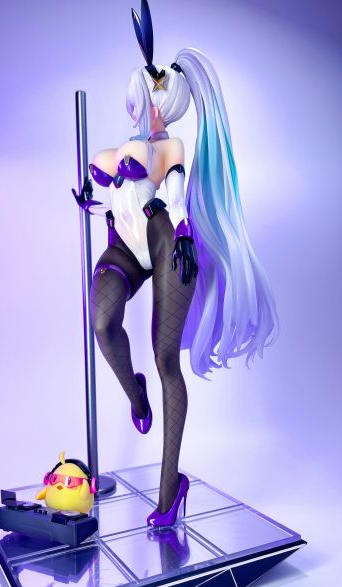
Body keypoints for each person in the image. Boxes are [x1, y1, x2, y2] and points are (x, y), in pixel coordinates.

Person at [72, 0, 278, 528]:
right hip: (125, 247)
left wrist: (182, 226)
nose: (145, 105)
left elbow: (177, 191)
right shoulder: (122, 146)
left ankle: (170, 490)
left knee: (167, 360)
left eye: (153, 95)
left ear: (165, 105)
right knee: (102, 322)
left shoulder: (172, 146)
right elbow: (113, 197)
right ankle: (134, 394)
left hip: (166, 242)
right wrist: (89, 200)